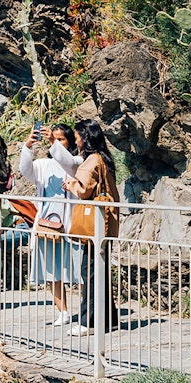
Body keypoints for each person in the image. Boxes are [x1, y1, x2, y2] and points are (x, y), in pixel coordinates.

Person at [17, 123, 83, 326]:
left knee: (78, 269)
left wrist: (53, 142)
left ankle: (87, 308)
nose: (56, 142)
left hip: (72, 224)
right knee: (52, 270)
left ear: (69, 141)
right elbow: (25, 169)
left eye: (61, 139)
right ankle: (62, 311)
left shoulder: (78, 161)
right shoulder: (43, 165)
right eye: (54, 139)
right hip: (47, 224)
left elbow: (69, 163)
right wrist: (28, 145)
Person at [60, 118, 121, 336]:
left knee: (91, 272)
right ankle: (109, 318)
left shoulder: (91, 160)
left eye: (77, 138)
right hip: (105, 223)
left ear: (85, 138)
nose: (76, 142)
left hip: (95, 225)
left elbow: (85, 190)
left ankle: (89, 322)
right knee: (100, 271)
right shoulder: (103, 158)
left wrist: (70, 184)